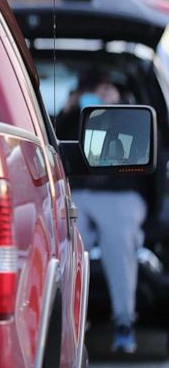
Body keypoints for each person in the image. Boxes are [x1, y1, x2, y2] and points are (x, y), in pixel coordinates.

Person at [55, 70, 144, 353]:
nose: (96, 94)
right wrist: (67, 111)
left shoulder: (133, 112)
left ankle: (124, 322)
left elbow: (140, 147)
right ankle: (68, 324)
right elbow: (53, 151)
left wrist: (115, 107)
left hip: (121, 194)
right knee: (64, 240)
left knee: (118, 239)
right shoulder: (71, 115)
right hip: (78, 192)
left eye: (104, 88)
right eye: (90, 90)